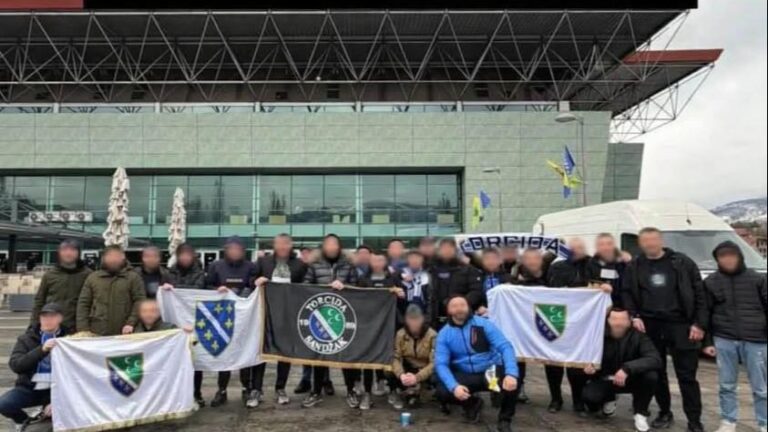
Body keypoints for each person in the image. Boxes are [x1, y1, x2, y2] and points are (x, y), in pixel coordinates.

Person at [623, 227, 707, 432]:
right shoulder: (635, 265)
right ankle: (664, 412)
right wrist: (634, 316)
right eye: (645, 241)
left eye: (653, 239)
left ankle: (694, 420)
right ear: (640, 243)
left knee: (687, 376)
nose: (650, 244)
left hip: (681, 325)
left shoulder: (682, 262)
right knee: (657, 372)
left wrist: (699, 323)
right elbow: (627, 293)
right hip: (650, 325)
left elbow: (700, 294)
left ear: (661, 240)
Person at [702, 241, 767, 432]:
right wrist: (707, 342)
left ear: (739, 256)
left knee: (761, 387)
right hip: (724, 338)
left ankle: (764, 422)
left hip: (756, 339)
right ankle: (728, 421)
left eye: (731, 255)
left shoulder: (757, 279)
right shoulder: (711, 282)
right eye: (722, 257)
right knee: (726, 384)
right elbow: (705, 313)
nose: (727, 260)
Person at [435, 296, 519, 432]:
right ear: (448, 311)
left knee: (511, 381)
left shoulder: (484, 324)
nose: (459, 309)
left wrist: (511, 373)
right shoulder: (444, 334)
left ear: (468, 307)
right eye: (454, 306)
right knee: (442, 389)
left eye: (462, 305)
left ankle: (504, 419)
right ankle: (472, 404)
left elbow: (505, 347)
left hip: (490, 371)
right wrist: (454, 387)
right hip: (465, 374)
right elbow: (441, 364)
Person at [582, 308, 662, 432]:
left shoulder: (639, 336)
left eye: (623, 319)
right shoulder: (598, 336)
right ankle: (610, 399)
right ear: (607, 321)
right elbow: (586, 356)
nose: (618, 323)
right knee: (589, 397)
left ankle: (640, 413)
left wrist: (627, 369)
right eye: (614, 319)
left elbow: (654, 359)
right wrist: (590, 368)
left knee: (651, 376)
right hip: (606, 379)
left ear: (629, 321)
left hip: (630, 379)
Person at [251, 233, 307, 407]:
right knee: (261, 350)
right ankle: (256, 388)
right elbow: (250, 281)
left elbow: (307, 287)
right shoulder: (263, 262)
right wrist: (256, 281)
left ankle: (280, 388)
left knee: (285, 352)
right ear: (274, 245)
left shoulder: (299, 265)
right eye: (279, 243)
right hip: (265, 312)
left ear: (291, 245)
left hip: (288, 314)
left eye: (285, 243)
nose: (282, 246)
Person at [301, 234, 357, 408]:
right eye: (328, 244)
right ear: (323, 247)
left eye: (334, 244)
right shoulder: (314, 266)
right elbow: (305, 287)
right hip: (320, 317)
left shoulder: (348, 265)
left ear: (339, 247)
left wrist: (345, 286)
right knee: (319, 356)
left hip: (344, 317)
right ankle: (316, 392)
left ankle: (351, 391)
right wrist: (323, 288)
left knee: (347, 357)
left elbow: (358, 288)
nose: (331, 247)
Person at [204, 235, 257, 408]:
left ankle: (246, 388)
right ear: (226, 250)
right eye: (231, 248)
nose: (234, 251)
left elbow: (254, 287)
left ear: (243, 251)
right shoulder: (216, 266)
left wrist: (244, 294)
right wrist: (216, 289)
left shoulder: (251, 266)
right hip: (222, 316)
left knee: (244, 352)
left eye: (237, 249)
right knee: (224, 352)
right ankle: (221, 390)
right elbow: (206, 286)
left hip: (244, 317)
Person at [544, 238, 593, 415]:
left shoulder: (593, 265)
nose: (576, 251)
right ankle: (555, 398)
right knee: (553, 363)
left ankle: (578, 401)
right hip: (558, 318)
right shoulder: (557, 267)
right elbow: (550, 291)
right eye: (573, 248)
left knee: (576, 365)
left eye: (580, 247)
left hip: (582, 322)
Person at [2, 303, 69, 431]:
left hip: (57, 389)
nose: (48, 320)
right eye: (44, 316)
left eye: (52, 316)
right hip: (30, 387)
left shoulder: (68, 339)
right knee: (4, 404)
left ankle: (47, 417)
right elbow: (16, 365)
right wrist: (42, 350)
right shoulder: (26, 338)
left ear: (61, 318)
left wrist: (57, 401)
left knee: (58, 418)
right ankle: (26, 422)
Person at [76, 245, 146, 336]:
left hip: (126, 333)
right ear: (104, 258)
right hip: (97, 332)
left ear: (123, 258)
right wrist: (83, 330)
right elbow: (83, 304)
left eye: (117, 256)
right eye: (110, 256)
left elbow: (140, 301)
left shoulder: (133, 278)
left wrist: (131, 323)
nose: (113, 259)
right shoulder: (93, 278)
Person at [30, 239, 92, 331]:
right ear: (59, 252)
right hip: (53, 325)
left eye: (72, 250)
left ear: (78, 253)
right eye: (64, 250)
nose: (68, 253)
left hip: (78, 326)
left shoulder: (88, 274)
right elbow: (39, 301)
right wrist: (34, 325)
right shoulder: (50, 275)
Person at [388, 304, 437, 410]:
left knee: (436, 375)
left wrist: (417, 377)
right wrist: (401, 374)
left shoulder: (432, 335)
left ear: (423, 319)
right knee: (388, 369)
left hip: (424, 368)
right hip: (407, 367)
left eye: (417, 319)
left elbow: (434, 362)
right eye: (410, 319)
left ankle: (423, 390)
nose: (414, 323)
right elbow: (395, 357)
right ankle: (395, 390)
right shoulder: (400, 334)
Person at [429, 238, 482, 330]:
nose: (447, 251)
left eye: (450, 248)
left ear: (455, 250)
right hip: (435, 318)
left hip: (461, 317)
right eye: (444, 248)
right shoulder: (430, 270)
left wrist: (458, 305)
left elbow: (476, 291)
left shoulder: (468, 269)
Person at [586, 233, 629, 307]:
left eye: (609, 244)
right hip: (600, 307)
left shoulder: (623, 263)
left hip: (621, 307)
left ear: (614, 245)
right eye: (602, 244)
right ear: (597, 247)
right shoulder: (591, 264)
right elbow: (588, 285)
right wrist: (600, 287)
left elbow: (629, 287)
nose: (605, 247)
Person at [476, 248, 512, 317]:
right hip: (483, 313)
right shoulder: (478, 277)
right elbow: (476, 295)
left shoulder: (508, 278)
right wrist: (479, 306)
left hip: (503, 313)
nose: (490, 261)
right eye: (487, 259)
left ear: (500, 260)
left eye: (494, 258)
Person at [398, 251, 431, 319]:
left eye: (417, 258)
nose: (414, 260)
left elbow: (431, 297)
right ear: (407, 260)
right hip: (404, 311)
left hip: (424, 310)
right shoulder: (399, 274)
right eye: (412, 258)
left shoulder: (428, 275)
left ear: (422, 260)